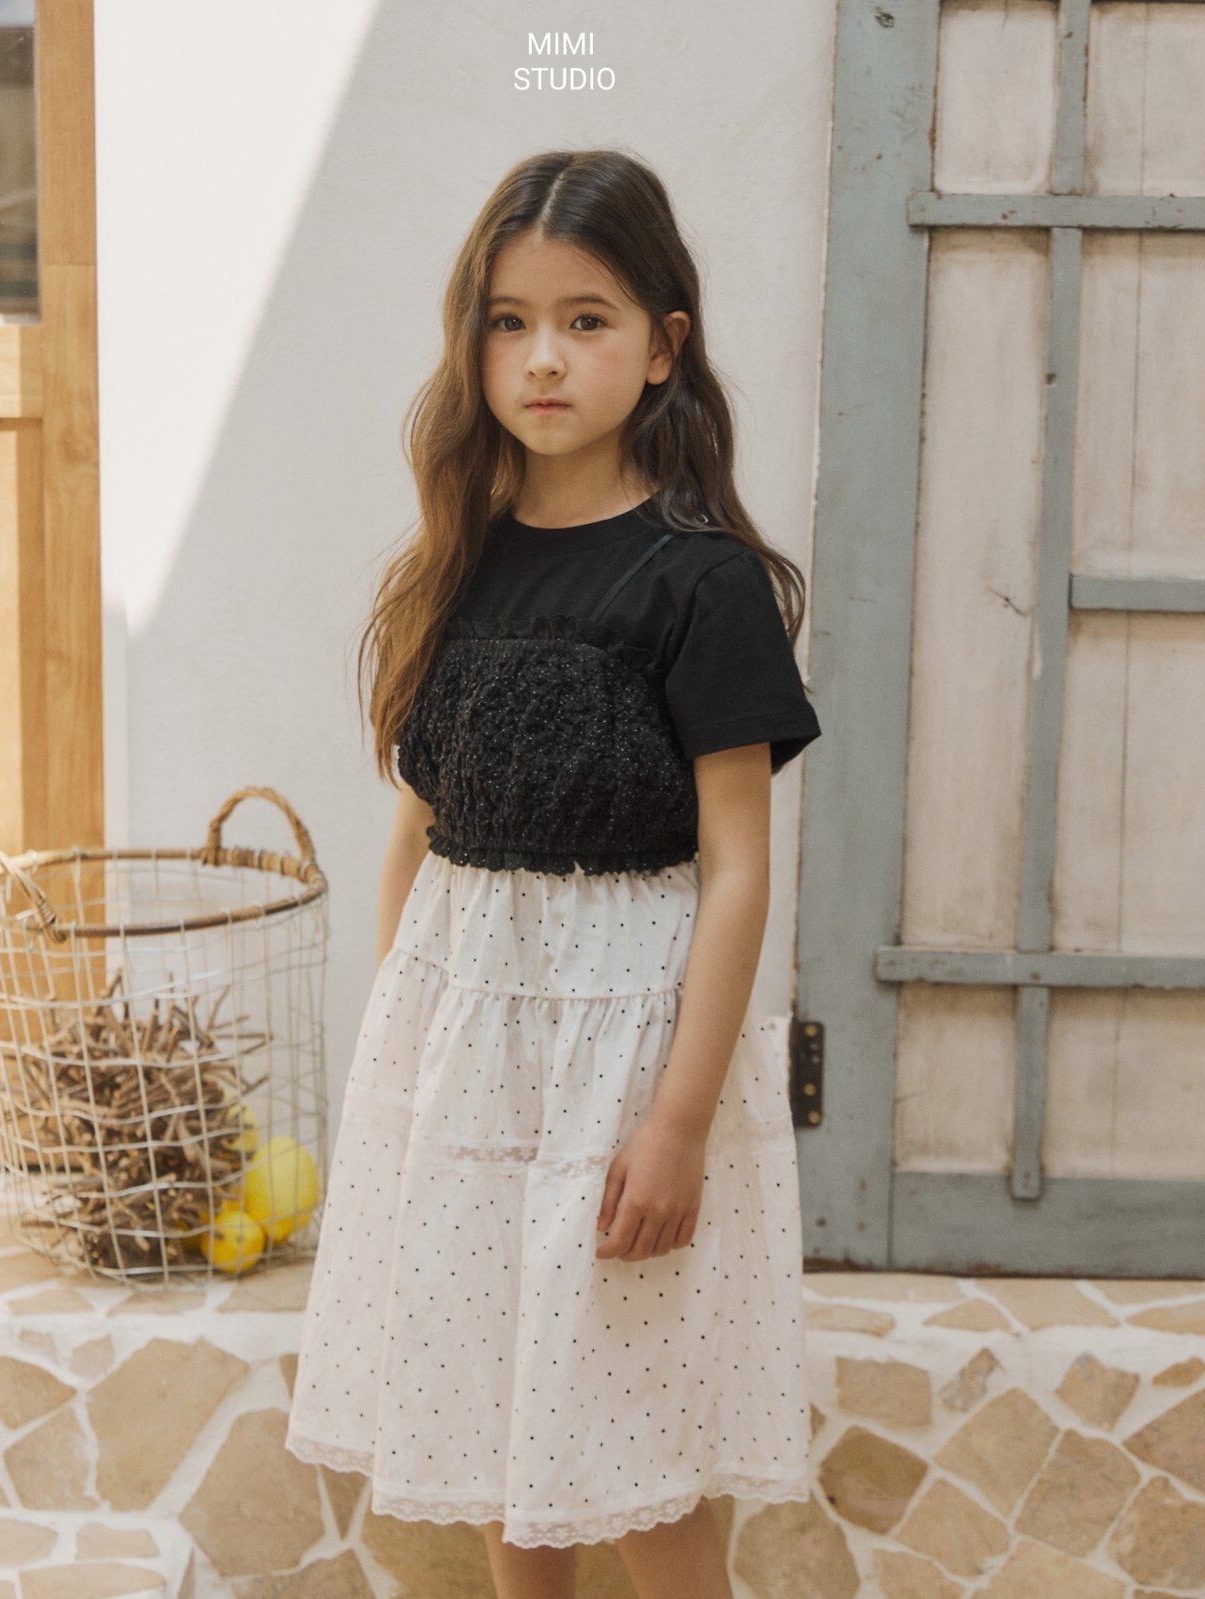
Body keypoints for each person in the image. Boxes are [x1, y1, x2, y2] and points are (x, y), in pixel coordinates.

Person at [285, 148, 822, 1599]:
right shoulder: (456, 562)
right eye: (509, 321)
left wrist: (679, 1123)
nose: (542, 358)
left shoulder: (701, 581)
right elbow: (422, 824)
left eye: (587, 321)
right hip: (467, 1063)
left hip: (624, 1067)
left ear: (663, 346)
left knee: (627, 1441)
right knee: (497, 1422)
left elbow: (738, 872)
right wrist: (404, 1058)